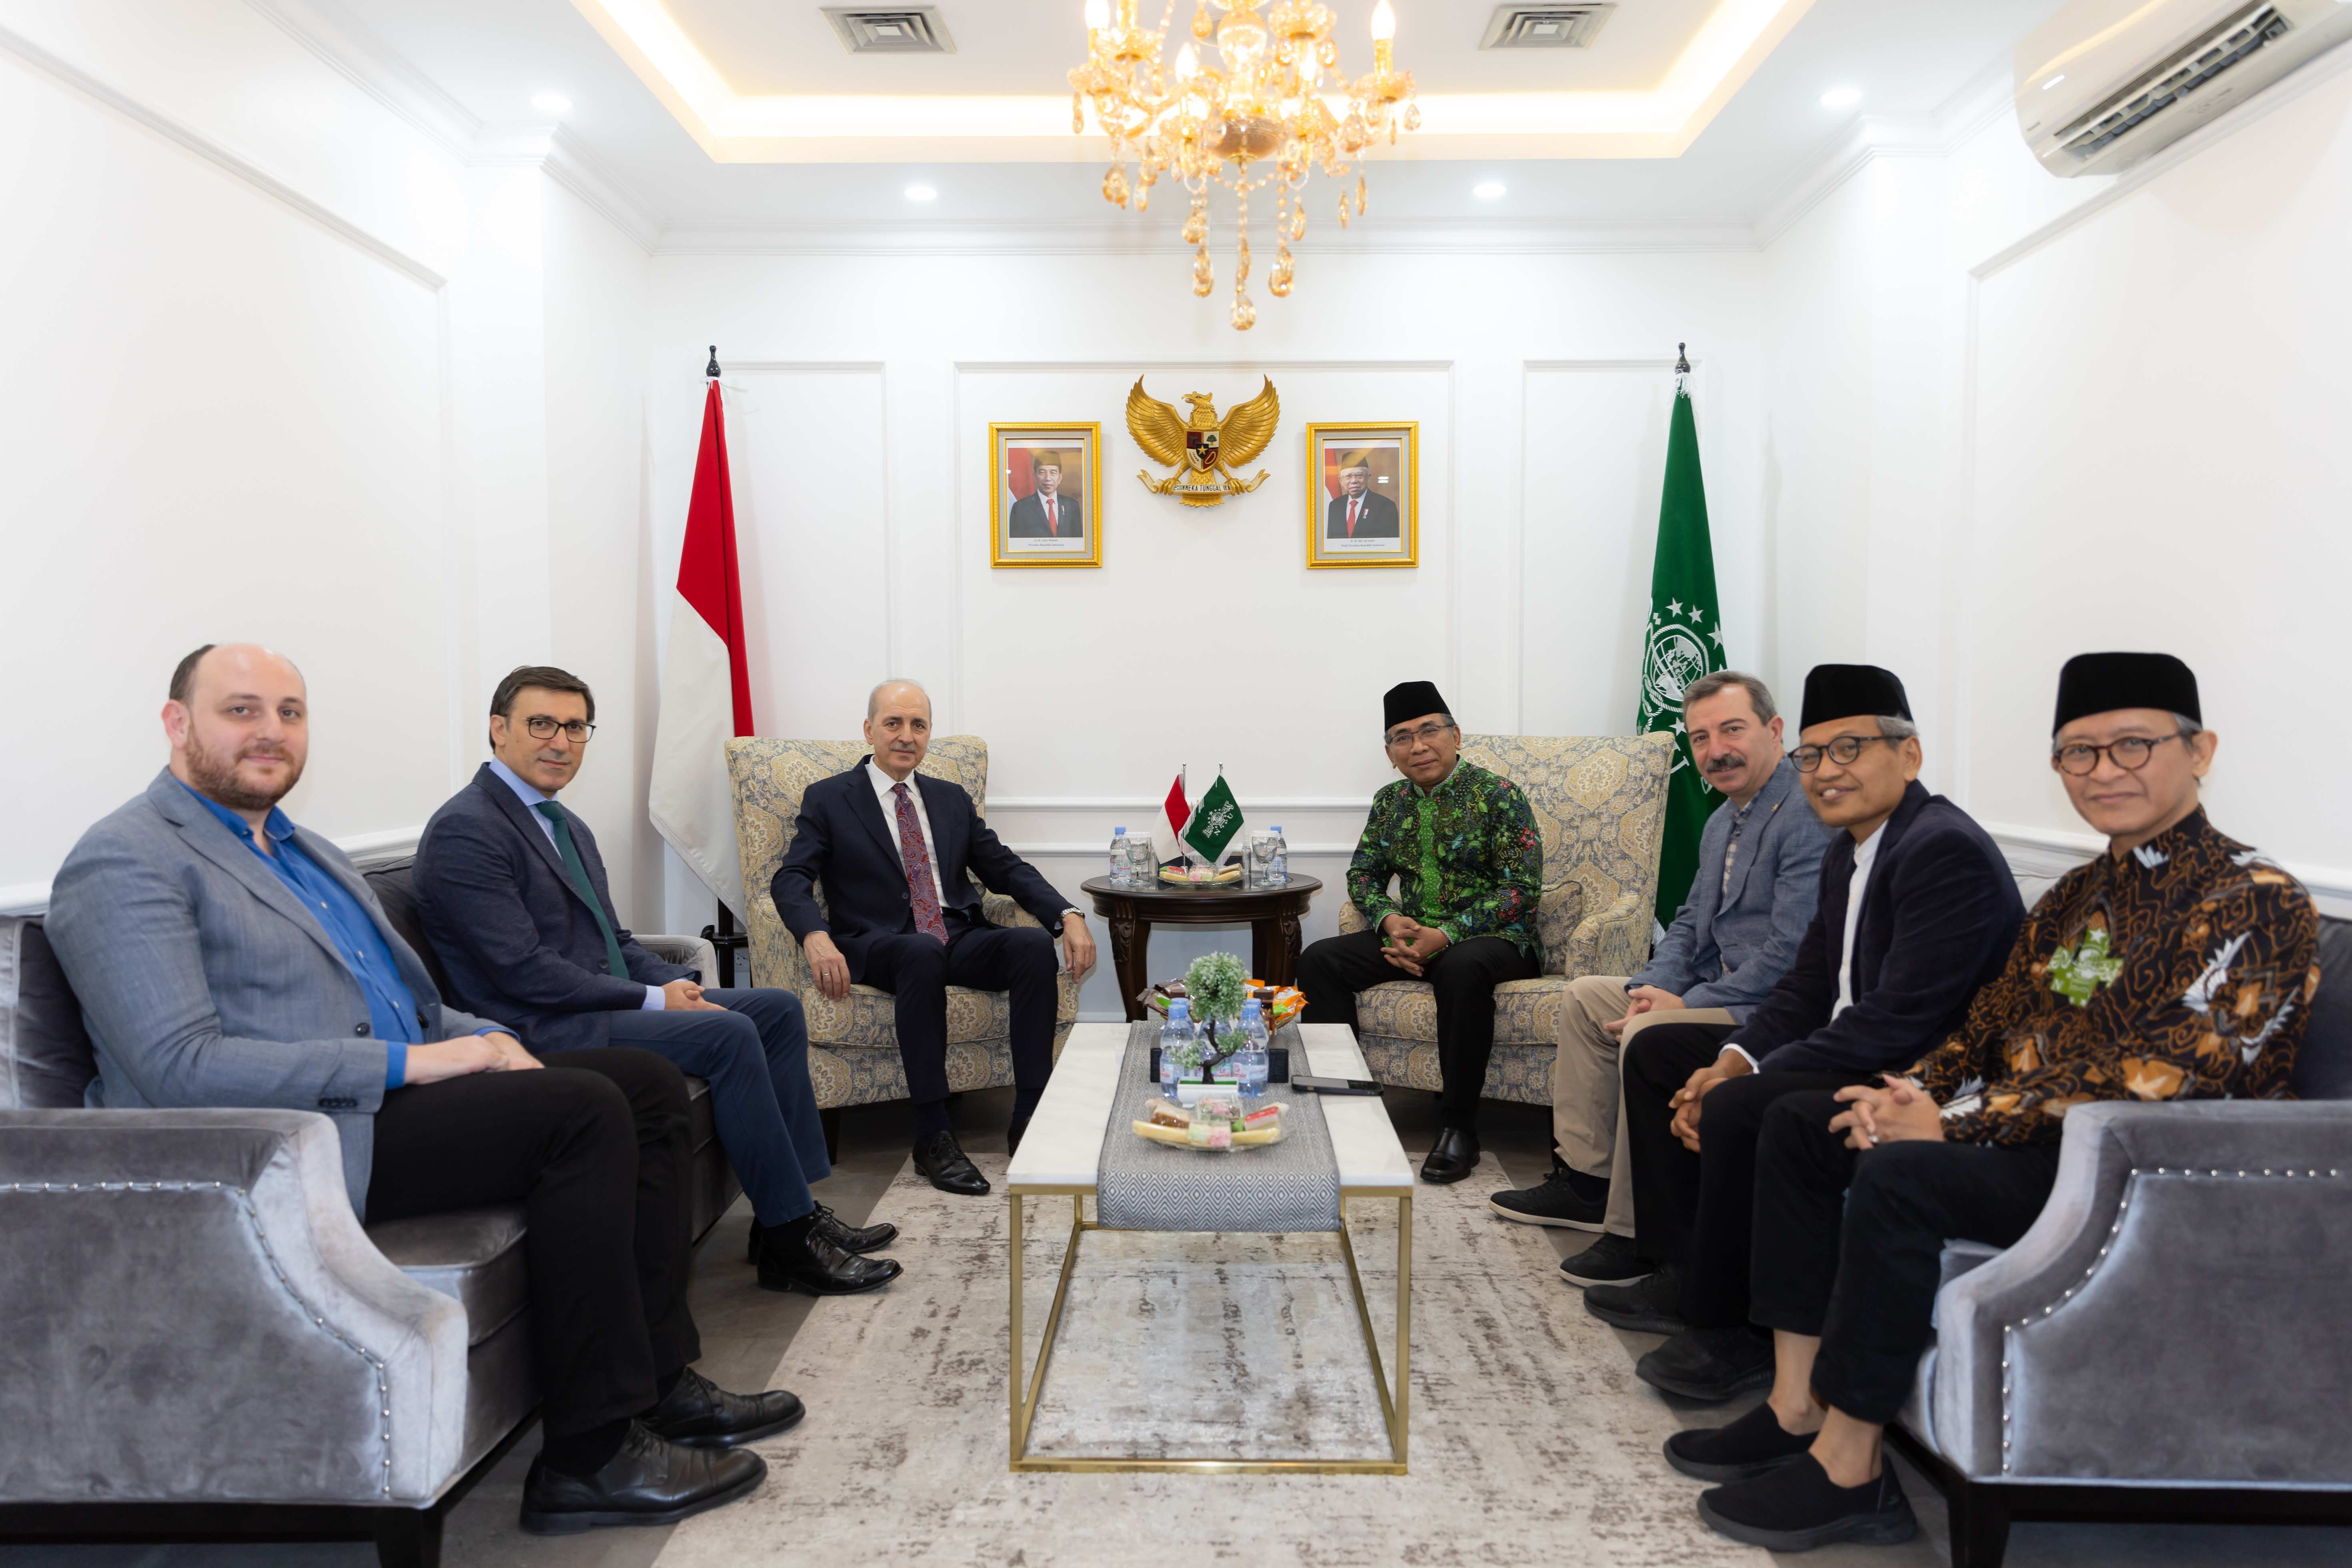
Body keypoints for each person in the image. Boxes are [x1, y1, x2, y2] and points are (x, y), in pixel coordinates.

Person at [44, 644, 791, 1535]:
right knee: (583, 1110)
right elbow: (181, 1064)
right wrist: (414, 1065)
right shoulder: (125, 857)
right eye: (241, 709)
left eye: (290, 712)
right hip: (286, 1141)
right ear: (177, 723)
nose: (271, 731)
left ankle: (658, 1382)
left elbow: (414, 1004)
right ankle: (589, 1457)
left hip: (383, 1104)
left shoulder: (306, 850)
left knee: (645, 1084)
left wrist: (485, 1037)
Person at [1677, 651, 2318, 1552]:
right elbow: (1990, 1023)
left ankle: (1852, 1471)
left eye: (2132, 745)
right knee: (1805, 1121)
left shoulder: (2252, 899)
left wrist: (1948, 1123)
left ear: (2199, 750)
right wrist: (1907, 1093)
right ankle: (1795, 1406)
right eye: (2079, 753)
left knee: (1901, 1177)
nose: (2103, 771)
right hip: (2027, 1140)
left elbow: (2165, 1077)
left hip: (2139, 1178)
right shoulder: (2079, 897)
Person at [1585, 664, 2023, 1404]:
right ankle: (1682, 1269)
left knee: (1746, 1105)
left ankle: (1730, 1330)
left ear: (1909, 754)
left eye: (1849, 748)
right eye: (1813, 756)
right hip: (1850, 1042)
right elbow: (1809, 982)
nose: (1826, 771)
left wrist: (1749, 1074)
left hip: (1916, 1071)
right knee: (1666, 1051)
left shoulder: (1939, 848)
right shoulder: (1849, 845)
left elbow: (1897, 1016)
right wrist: (1733, 1056)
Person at [413, 665, 900, 1298]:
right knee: (729, 1033)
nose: (560, 741)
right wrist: (653, 998)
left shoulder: (565, 825)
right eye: (541, 724)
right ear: (498, 729)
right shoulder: (467, 827)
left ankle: (791, 1209)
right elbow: (520, 968)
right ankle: (791, 1241)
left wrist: (677, 985)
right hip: (536, 1025)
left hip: (593, 1004)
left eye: (575, 727)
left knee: (777, 1009)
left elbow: (614, 942)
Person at [1489, 672, 1832, 1286]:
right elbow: (1686, 925)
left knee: (1650, 1029)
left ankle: (1633, 1233)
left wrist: (1682, 1001)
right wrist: (1650, 985)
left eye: (1731, 729)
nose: (1715, 750)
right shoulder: (1722, 820)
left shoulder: (1806, 813)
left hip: (1770, 1004)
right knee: (1585, 996)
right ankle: (1586, 1182)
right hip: (1714, 988)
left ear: (1774, 729)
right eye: (1700, 737)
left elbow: (1790, 954)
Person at [770, 679, 1096, 1196]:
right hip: (878, 942)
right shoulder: (830, 797)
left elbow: (1004, 867)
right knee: (921, 951)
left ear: (928, 734)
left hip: (955, 935)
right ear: (869, 730)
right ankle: (932, 1134)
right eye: (893, 723)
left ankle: (1030, 1117)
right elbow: (790, 877)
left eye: (918, 725)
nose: (906, 735)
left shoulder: (949, 798)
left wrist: (1067, 913)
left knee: (1032, 946)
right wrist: (813, 934)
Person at [1295, 681, 1543, 1183]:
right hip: (1412, 937)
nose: (1418, 746)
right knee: (1319, 959)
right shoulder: (1390, 802)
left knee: (1461, 966)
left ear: (1456, 736)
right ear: (1390, 754)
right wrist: (1390, 923)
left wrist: (1445, 934)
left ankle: (1458, 1129)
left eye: (1429, 731)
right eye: (1402, 737)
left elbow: (1521, 888)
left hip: (1497, 940)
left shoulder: (1498, 795)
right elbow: (1363, 874)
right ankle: (1341, 1112)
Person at [1007, 451, 1084, 538]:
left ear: (1060, 478)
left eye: (1053, 473)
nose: (1048, 478)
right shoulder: (1020, 507)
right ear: (1035, 477)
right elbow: (1017, 543)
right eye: (1042, 473)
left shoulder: (1072, 505)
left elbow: (1078, 541)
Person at [1323, 452, 1399, 539]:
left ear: (1368, 478)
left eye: (1359, 476)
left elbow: (1390, 544)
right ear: (1341, 480)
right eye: (1348, 476)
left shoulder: (1386, 506)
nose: (1354, 481)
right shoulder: (1335, 506)